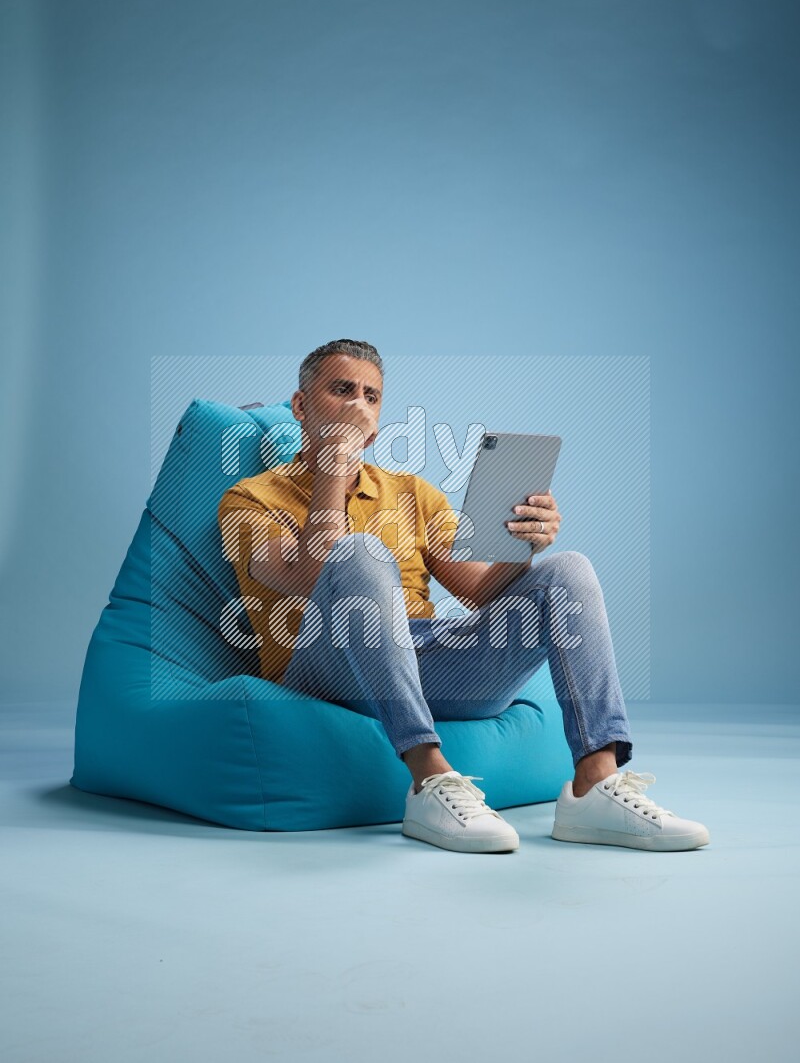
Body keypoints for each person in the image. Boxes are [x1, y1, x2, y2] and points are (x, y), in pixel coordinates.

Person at [218, 339, 710, 855]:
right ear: (301, 406)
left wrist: (522, 547)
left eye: (371, 396)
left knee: (568, 570)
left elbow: (479, 592)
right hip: (323, 667)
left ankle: (595, 783)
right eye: (342, 391)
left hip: (425, 660)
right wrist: (332, 470)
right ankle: (429, 779)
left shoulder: (412, 493)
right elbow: (313, 568)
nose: (358, 406)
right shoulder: (250, 498)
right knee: (359, 552)